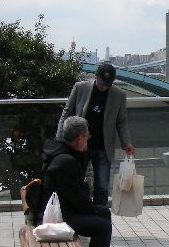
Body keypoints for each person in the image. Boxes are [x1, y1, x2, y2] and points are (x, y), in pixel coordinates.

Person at [43, 116, 121, 247]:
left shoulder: (62, 152)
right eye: (87, 136)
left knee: (104, 212)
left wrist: (92, 208)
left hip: (63, 208)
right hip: (60, 216)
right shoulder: (66, 161)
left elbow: (76, 194)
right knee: (102, 226)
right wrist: (91, 210)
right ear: (79, 139)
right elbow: (77, 198)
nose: (88, 139)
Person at [57, 63, 136, 205]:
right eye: (101, 83)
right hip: (80, 145)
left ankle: (101, 214)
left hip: (103, 147)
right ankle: (78, 211)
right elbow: (67, 112)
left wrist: (126, 142)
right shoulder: (80, 88)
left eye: (107, 84)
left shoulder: (119, 95)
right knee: (76, 182)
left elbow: (121, 121)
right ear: (95, 76)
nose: (104, 87)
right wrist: (61, 137)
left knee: (102, 186)